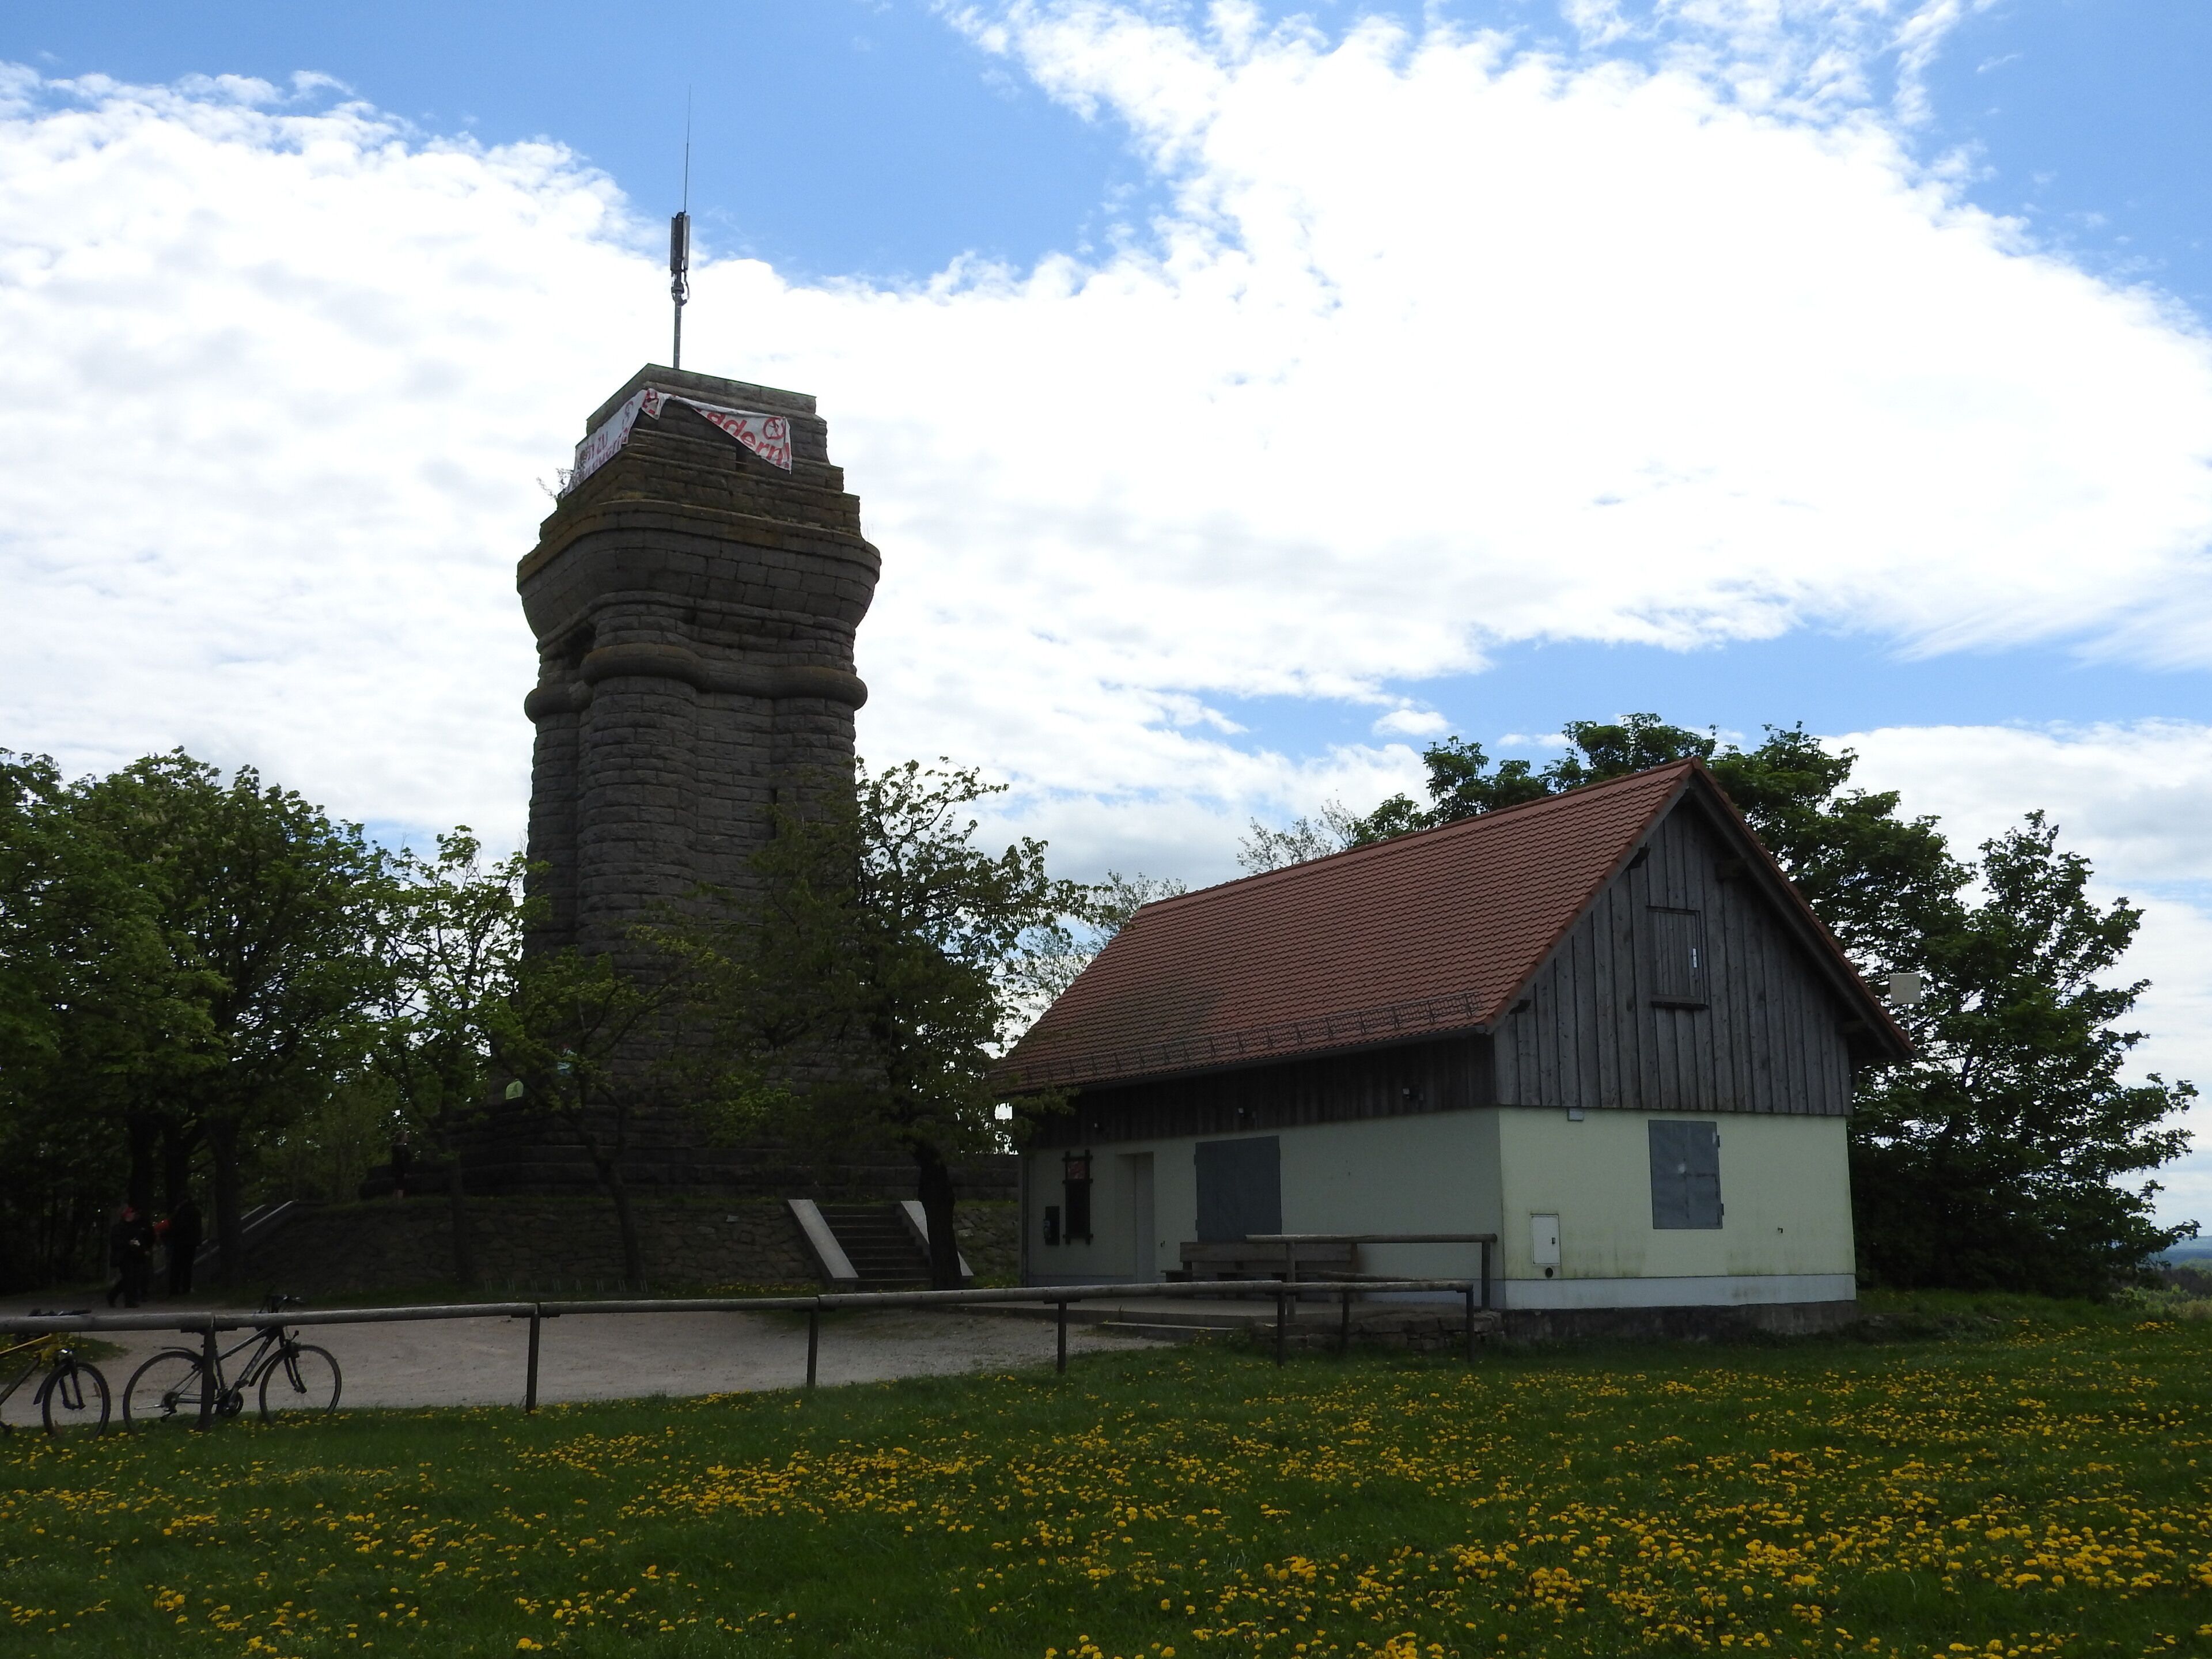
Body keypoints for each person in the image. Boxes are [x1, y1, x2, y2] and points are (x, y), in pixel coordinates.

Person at [105, 1204, 154, 1308]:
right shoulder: (119, 1228)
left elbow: (140, 1240)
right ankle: (129, 1301)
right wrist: (128, 1243)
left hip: (135, 1256)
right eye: (132, 1213)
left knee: (132, 1278)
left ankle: (113, 1295)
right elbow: (115, 1242)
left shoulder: (135, 1227)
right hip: (124, 1256)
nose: (134, 1214)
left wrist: (144, 1250)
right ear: (127, 1215)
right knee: (129, 1277)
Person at [166, 1195, 203, 1297]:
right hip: (191, 1242)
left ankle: (174, 1289)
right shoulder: (195, 1211)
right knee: (187, 1266)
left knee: (176, 1265)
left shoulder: (181, 1212)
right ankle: (186, 1287)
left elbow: (178, 1226)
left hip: (181, 1241)